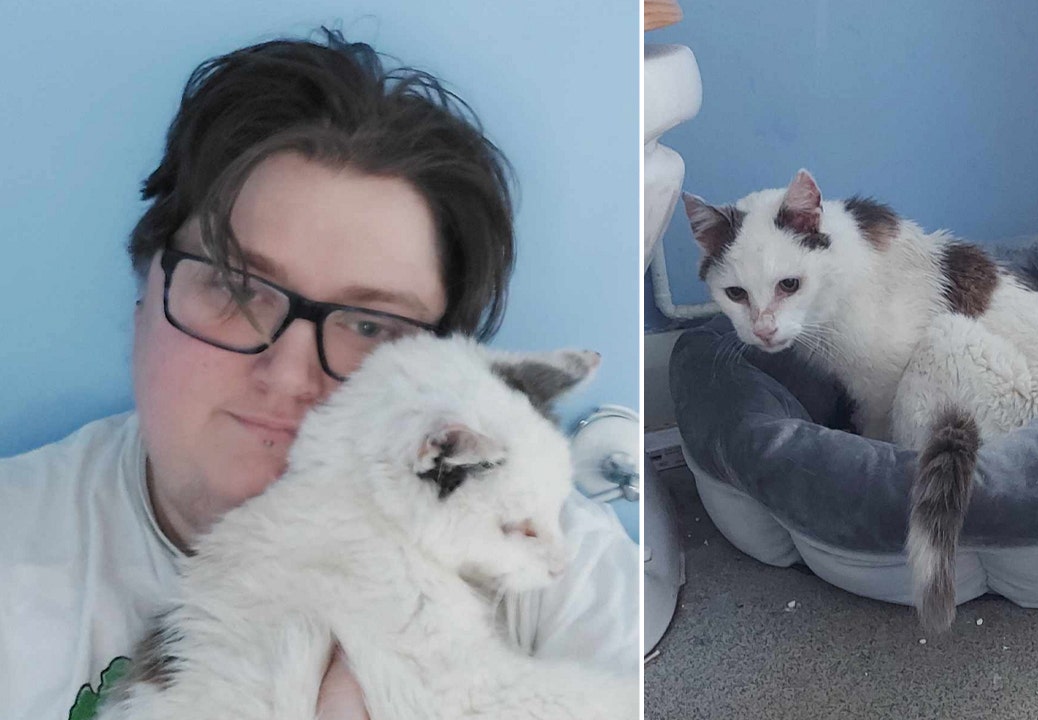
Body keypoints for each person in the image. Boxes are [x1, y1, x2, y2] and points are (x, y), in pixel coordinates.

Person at [0, 30, 638, 720]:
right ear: (144, 289)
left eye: (370, 327)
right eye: (238, 289)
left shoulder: (568, 569)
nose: (288, 374)